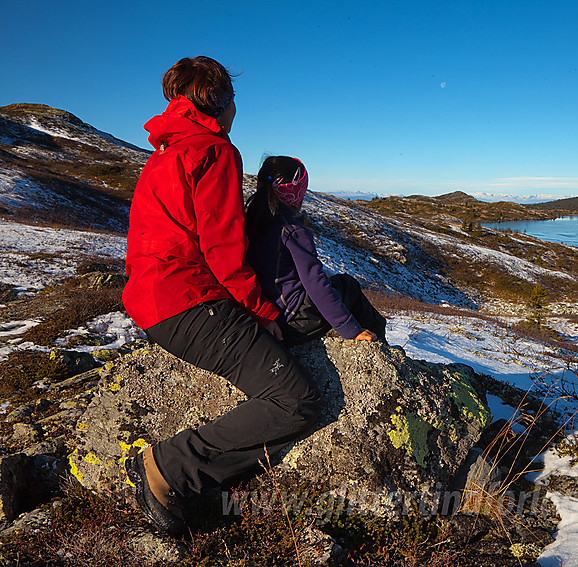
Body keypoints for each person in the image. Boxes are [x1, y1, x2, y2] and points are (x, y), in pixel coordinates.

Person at [122, 57, 320, 536]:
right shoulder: (213, 151)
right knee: (296, 400)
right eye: (234, 100)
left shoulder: (169, 151)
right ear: (222, 103)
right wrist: (261, 311)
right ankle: (169, 468)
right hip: (189, 299)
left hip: (157, 301)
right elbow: (223, 248)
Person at [245, 156, 387, 345]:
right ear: (296, 193)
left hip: (265, 315)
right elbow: (315, 282)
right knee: (347, 285)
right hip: (291, 321)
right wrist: (350, 329)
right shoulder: (293, 231)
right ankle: (379, 344)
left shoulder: (250, 220)